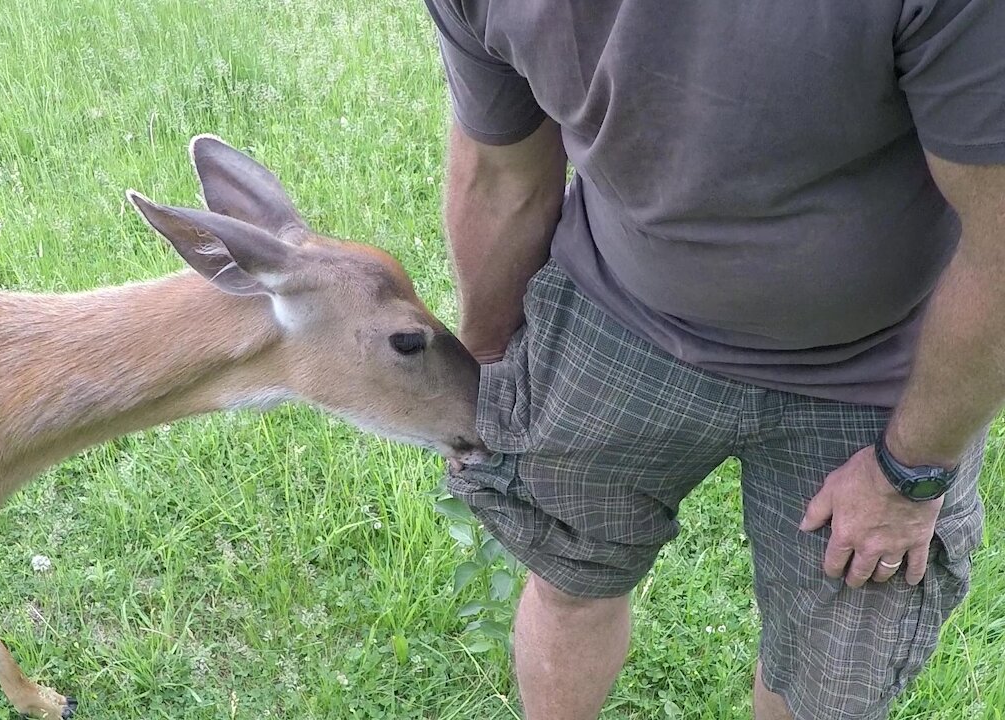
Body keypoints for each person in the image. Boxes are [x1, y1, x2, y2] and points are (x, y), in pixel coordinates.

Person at [421, 1, 1005, 718]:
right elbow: (500, 175)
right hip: (617, 308)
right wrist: (483, 366)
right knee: (568, 573)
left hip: (877, 367)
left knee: (832, 673)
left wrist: (910, 472)